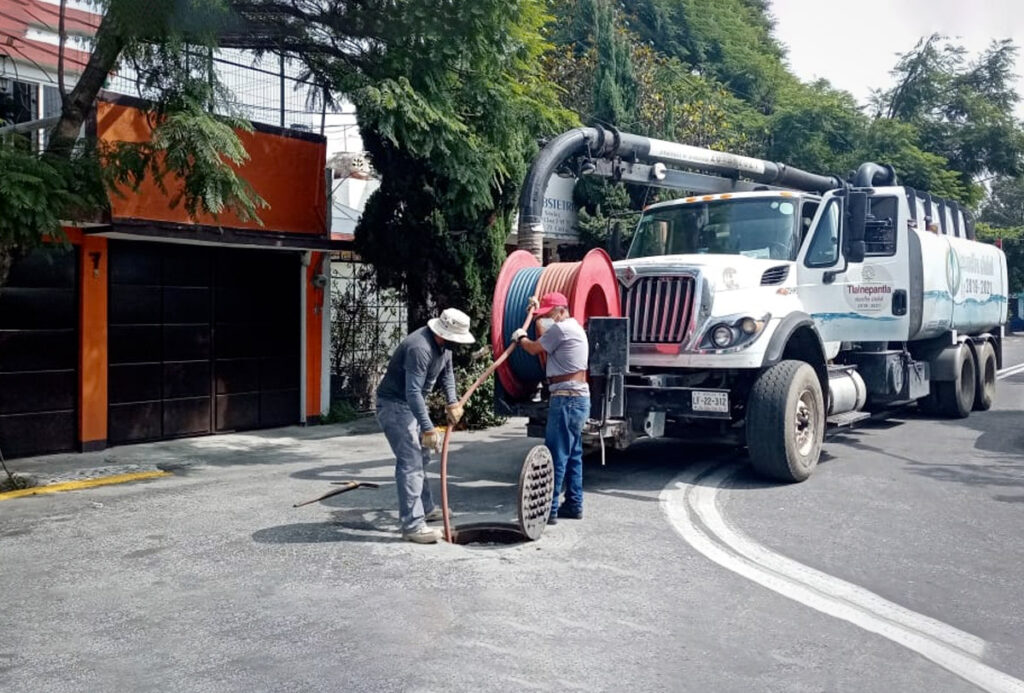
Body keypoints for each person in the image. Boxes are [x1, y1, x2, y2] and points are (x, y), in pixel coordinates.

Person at [376, 308, 474, 544]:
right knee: (410, 463)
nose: (458, 344)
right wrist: (428, 428)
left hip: (411, 403)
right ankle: (412, 526)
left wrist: (452, 402)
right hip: (395, 405)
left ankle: (426, 509)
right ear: (444, 334)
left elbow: (447, 374)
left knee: (421, 458)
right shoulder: (419, 348)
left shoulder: (445, 347)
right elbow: (412, 392)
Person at [511, 292, 590, 524]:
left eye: (549, 314)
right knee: (573, 454)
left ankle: (550, 509)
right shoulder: (574, 328)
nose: (548, 319)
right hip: (579, 398)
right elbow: (545, 334)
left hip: (565, 399)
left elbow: (534, 348)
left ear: (561, 311)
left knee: (556, 455)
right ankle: (574, 504)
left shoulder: (561, 329)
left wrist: (520, 337)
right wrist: (535, 313)